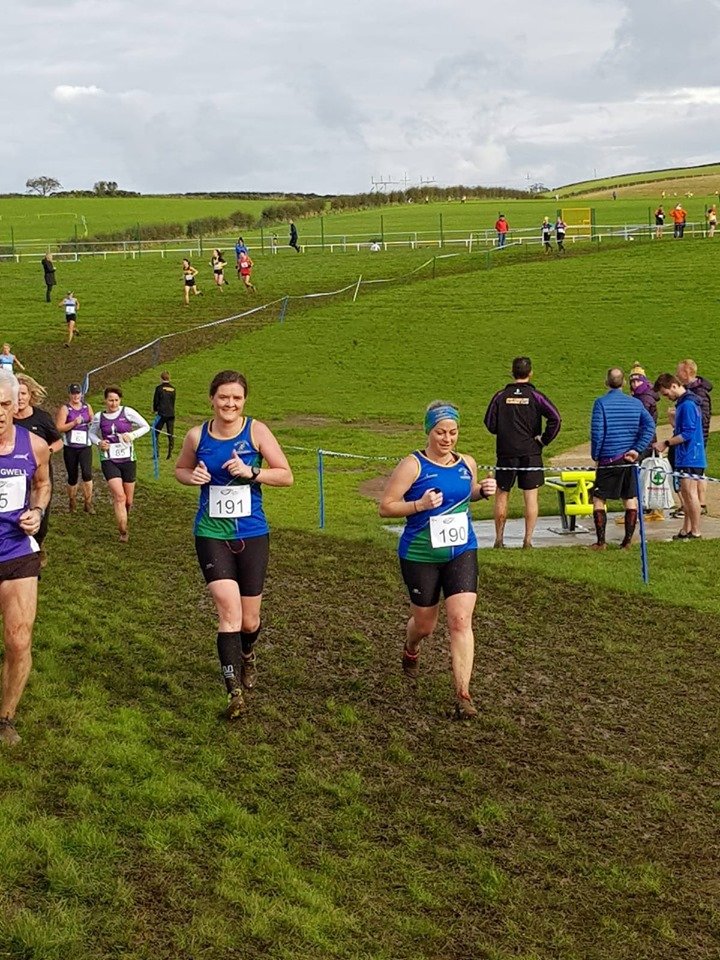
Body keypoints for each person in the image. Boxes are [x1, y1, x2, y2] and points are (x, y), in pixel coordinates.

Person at [174, 370, 293, 720]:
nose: (229, 404)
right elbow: (180, 469)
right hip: (211, 533)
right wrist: (191, 476)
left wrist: (252, 472)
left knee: (249, 620)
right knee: (229, 612)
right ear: (212, 398)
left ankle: (247, 655)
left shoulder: (256, 431)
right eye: (223, 397)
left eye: (236, 398)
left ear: (244, 402)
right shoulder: (197, 435)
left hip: (252, 532)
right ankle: (233, 692)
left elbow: (285, 475)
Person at [379, 401, 497, 719]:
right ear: (428, 431)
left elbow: (464, 493)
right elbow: (386, 506)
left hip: (461, 549)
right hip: (420, 554)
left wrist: (481, 491)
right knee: (426, 625)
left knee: (460, 621)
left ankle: (463, 695)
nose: (447, 439)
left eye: (453, 432)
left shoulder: (466, 463)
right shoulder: (412, 466)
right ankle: (411, 648)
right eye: (440, 432)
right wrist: (418, 504)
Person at [0, 370, 51, 746]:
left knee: (18, 640)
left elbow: (43, 484)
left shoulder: (34, 445)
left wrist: (37, 510)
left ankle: (5, 719)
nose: (0, 412)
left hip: (17, 550)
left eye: (5, 404)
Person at [484, 357, 562, 549]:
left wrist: (502, 432)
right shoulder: (536, 396)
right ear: (530, 373)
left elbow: (489, 422)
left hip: (506, 452)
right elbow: (556, 418)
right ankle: (527, 541)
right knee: (531, 496)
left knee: (502, 494)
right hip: (531, 452)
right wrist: (544, 439)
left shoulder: (500, 396)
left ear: (512, 372)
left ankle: (499, 539)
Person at [589, 368, 655, 550]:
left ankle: (601, 541)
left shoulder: (601, 403)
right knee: (629, 497)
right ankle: (626, 541)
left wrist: (596, 455)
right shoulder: (635, 403)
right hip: (629, 459)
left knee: (599, 498)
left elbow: (597, 433)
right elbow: (650, 426)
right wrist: (637, 449)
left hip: (608, 459)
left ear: (606, 382)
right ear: (624, 383)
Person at [89, 387, 150, 542]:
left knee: (128, 500)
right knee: (120, 496)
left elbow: (146, 426)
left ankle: (124, 519)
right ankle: (123, 531)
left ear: (120, 400)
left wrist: (132, 435)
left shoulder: (128, 412)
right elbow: (91, 433)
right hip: (108, 459)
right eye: (110, 400)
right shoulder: (99, 417)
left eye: (116, 400)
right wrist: (99, 442)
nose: (113, 403)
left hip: (128, 459)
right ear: (105, 400)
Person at [14, 374, 62, 566]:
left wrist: (46, 451)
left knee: (40, 511)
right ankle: (20, 551)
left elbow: (58, 441)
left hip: (39, 473)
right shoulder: (7, 418)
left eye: (24, 393)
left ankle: (39, 543)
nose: (20, 398)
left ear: (30, 395)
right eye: (17, 393)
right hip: (15, 474)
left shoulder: (41, 418)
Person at [652, 374, 706, 540]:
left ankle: (695, 531)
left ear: (674, 386)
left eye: (666, 393)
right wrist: (673, 421)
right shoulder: (683, 404)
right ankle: (686, 528)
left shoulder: (688, 404)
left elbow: (688, 433)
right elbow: (683, 429)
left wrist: (666, 443)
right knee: (686, 493)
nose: (667, 397)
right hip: (685, 455)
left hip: (691, 455)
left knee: (690, 494)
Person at [676, 359, 712, 516]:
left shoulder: (699, 393)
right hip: (696, 436)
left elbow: (703, 418)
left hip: (698, 437)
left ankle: (700, 503)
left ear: (686, 372)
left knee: (697, 473)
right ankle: (695, 504)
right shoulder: (690, 390)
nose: (677, 374)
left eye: (679, 371)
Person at [627, 364, 663, 521]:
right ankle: (650, 508)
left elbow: (640, 423)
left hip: (643, 442)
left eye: (638, 381)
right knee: (647, 475)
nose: (635, 384)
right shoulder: (643, 397)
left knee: (641, 475)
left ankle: (643, 510)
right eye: (633, 382)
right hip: (648, 440)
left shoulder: (643, 399)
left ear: (644, 382)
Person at [55, 383, 95, 514]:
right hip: (71, 447)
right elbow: (59, 428)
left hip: (85, 445)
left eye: (78, 393)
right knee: (72, 476)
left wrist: (90, 422)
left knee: (87, 473)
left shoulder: (87, 406)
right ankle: (72, 501)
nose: (76, 396)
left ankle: (88, 503)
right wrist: (73, 423)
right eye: (73, 393)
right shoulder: (65, 409)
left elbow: (93, 421)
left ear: (81, 394)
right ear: (69, 395)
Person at [152, 371, 176, 460]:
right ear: (169, 378)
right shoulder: (173, 389)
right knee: (170, 434)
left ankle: (156, 453)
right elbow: (173, 401)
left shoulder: (159, 388)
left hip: (162, 414)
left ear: (161, 378)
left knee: (155, 433)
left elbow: (156, 400)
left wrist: (155, 409)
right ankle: (170, 454)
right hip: (171, 414)